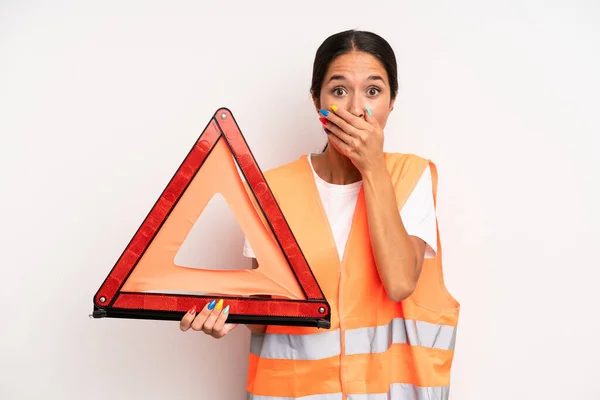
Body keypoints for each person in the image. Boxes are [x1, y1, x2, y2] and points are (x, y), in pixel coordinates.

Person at [180, 29, 459, 399]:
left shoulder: (411, 176)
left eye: (373, 91)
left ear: (392, 103)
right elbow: (266, 318)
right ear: (317, 101)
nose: (356, 109)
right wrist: (225, 316)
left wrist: (373, 167)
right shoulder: (272, 189)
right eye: (339, 90)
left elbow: (399, 283)